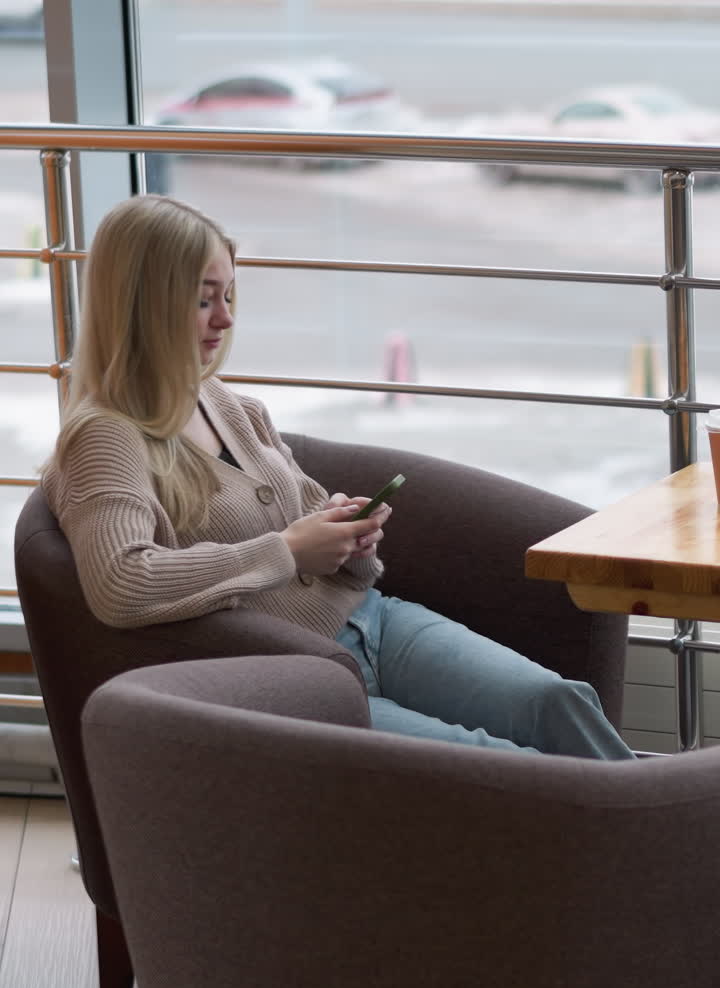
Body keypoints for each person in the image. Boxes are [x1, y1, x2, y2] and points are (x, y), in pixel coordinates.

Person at [42, 194, 634, 760]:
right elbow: (122, 583)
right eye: (203, 300)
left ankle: (658, 825)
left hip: (372, 619)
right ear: (143, 305)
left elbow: (302, 519)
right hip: (296, 678)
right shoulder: (105, 437)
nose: (225, 317)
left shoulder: (227, 405)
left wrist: (345, 536)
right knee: (506, 764)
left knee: (559, 701)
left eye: (228, 294)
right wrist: (287, 551)